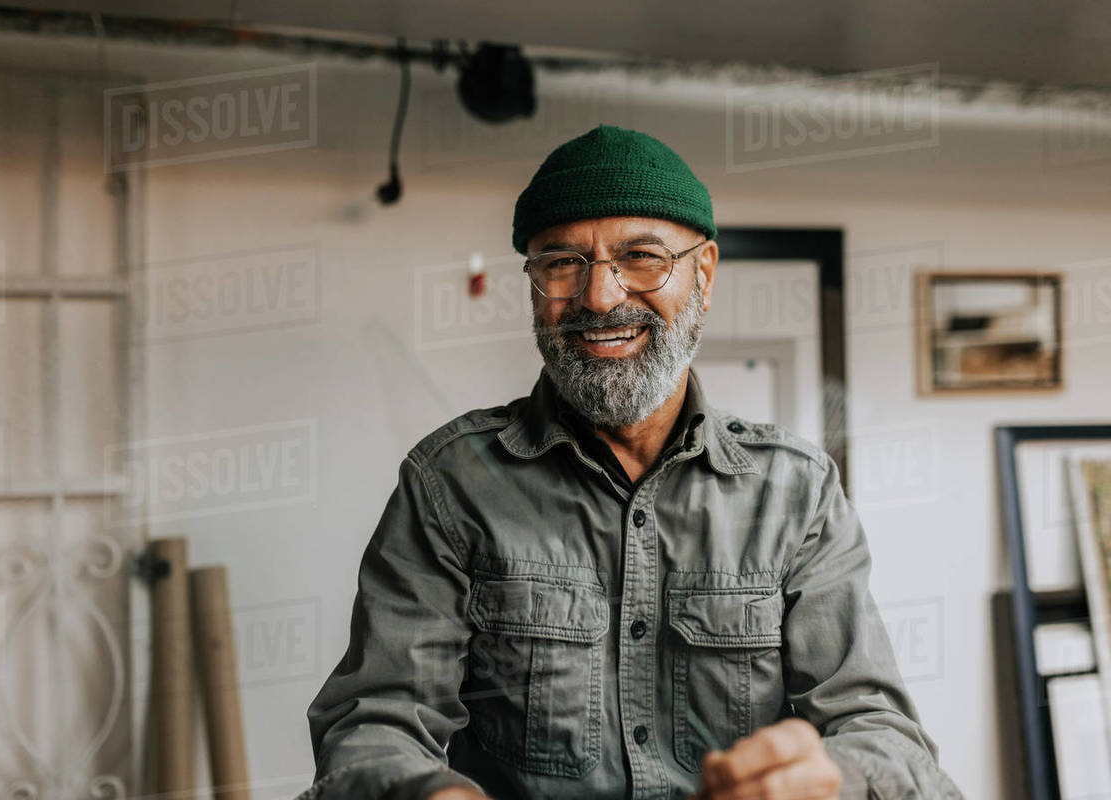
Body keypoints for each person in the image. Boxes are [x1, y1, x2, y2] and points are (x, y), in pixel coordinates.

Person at [303, 125, 964, 800]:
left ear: (703, 275)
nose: (599, 298)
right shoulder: (449, 485)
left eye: (642, 257)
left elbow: (885, 736)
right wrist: (427, 793)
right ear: (532, 285)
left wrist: (834, 777)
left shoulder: (796, 492)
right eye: (561, 263)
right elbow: (371, 726)